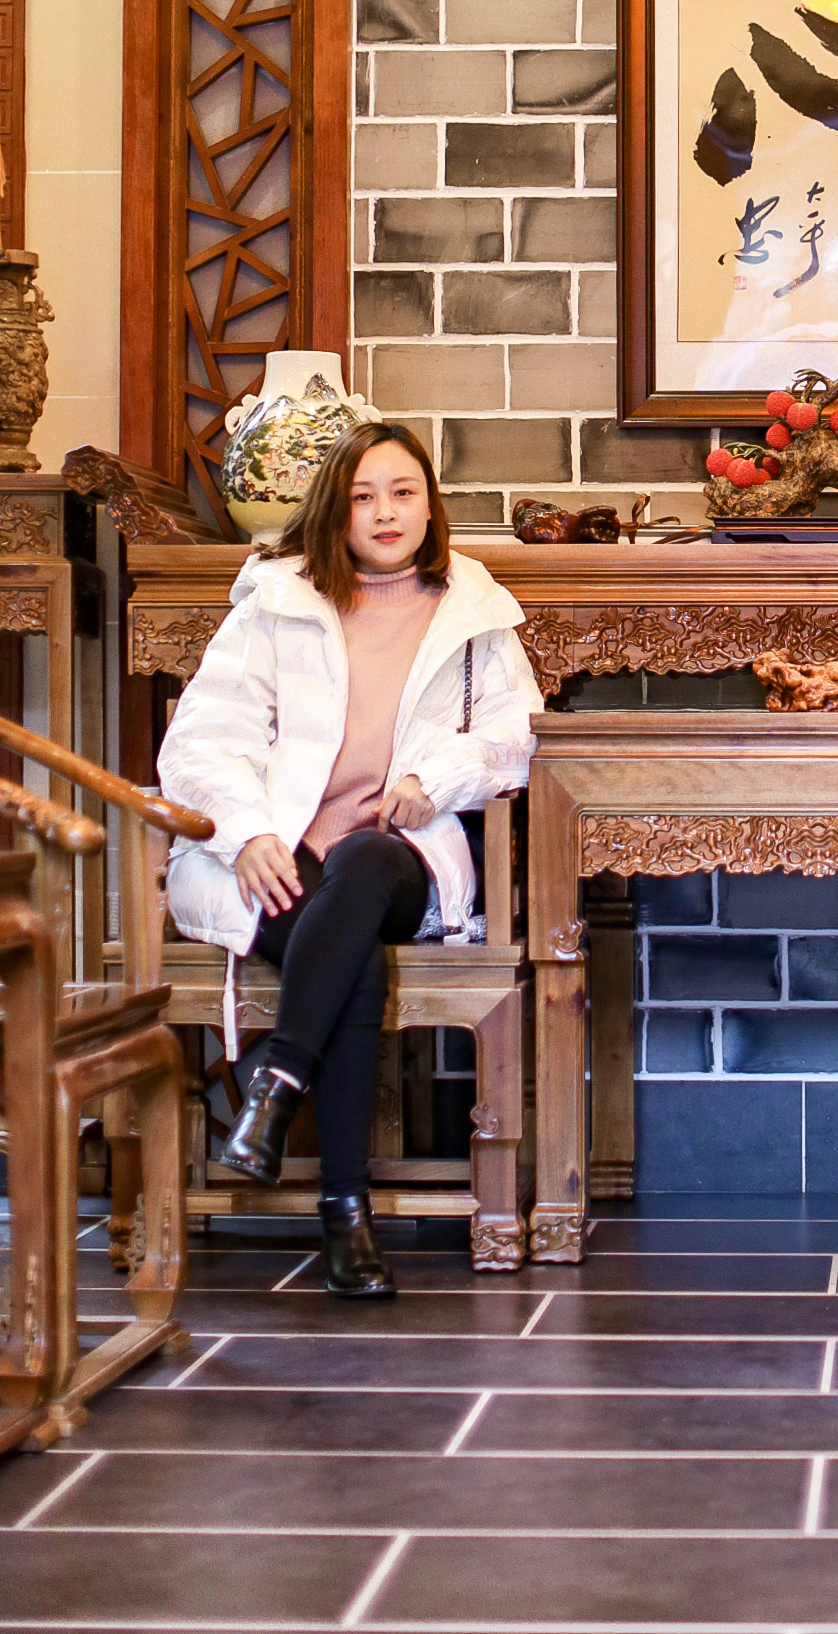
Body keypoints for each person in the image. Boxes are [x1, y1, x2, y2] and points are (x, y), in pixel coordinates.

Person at [157, 421, 539, 1296]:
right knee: (352, 956)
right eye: (364, 496)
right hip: (279, 858)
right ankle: (345, 1212)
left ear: (430, 504)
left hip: (401, 856)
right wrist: (247, 830)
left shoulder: (473, 609)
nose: (385, 511)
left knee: (364, 861)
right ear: (337, 509)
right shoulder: (277, 602)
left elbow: (513, 736)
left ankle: (275, 1081)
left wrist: (432, 778)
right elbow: (203, 740)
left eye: (403, 492)